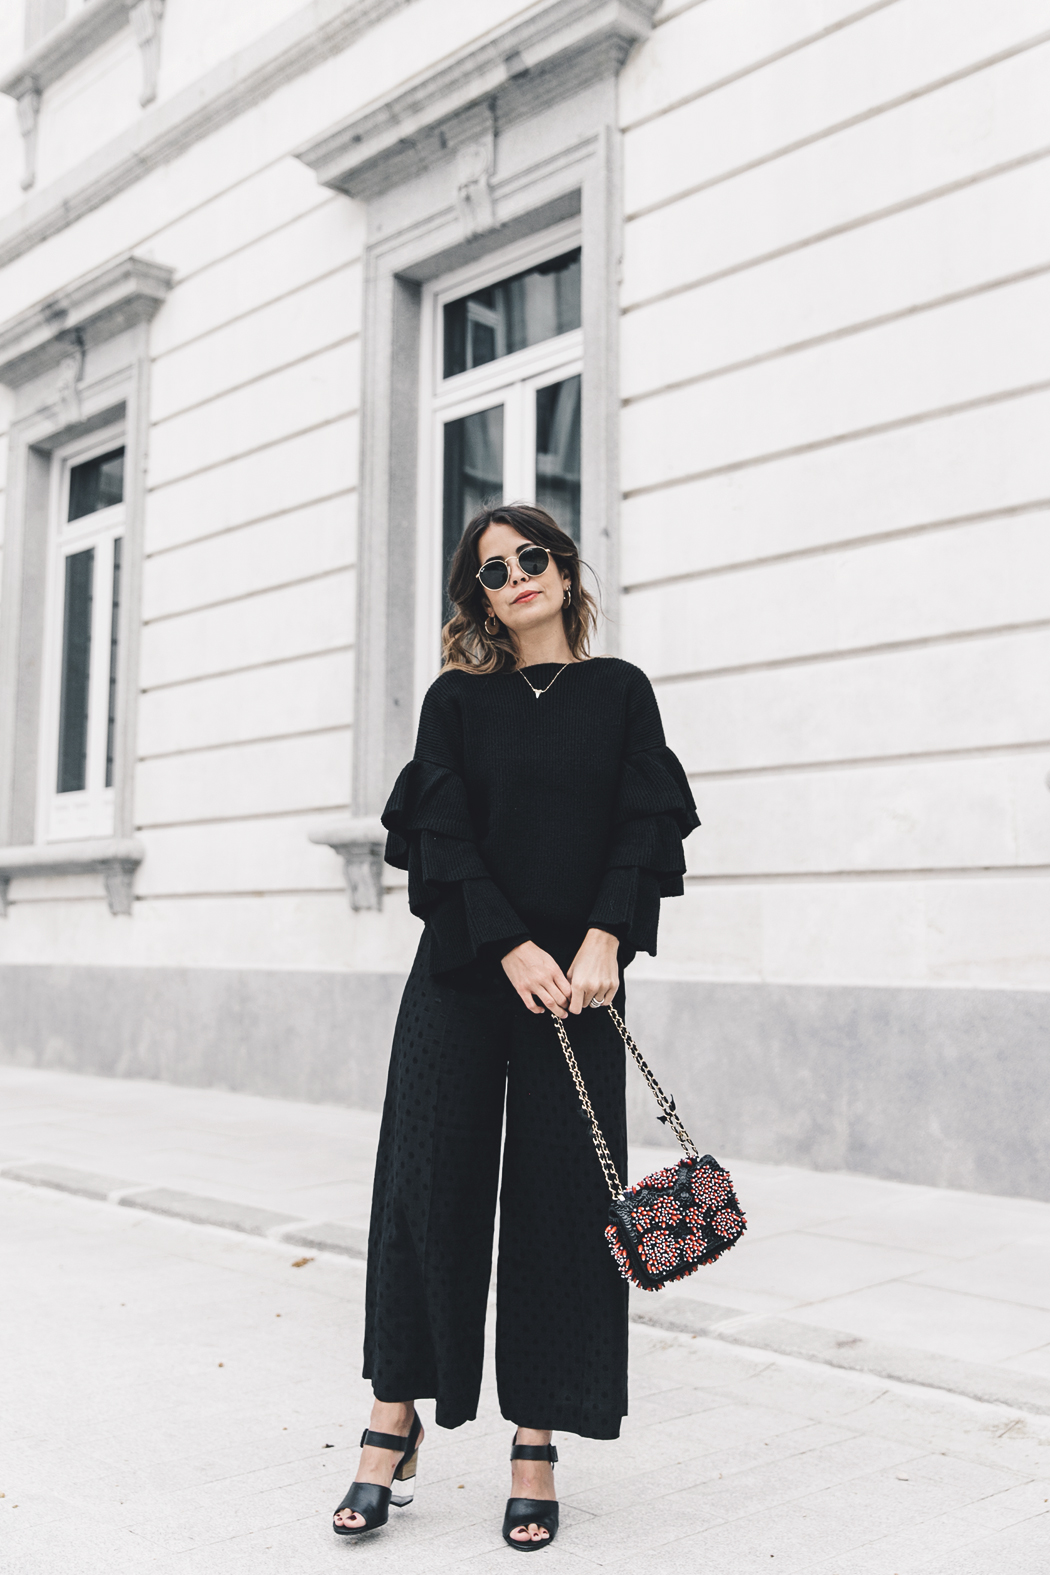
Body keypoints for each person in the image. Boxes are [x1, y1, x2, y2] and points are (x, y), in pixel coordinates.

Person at [332, 504, 699, 1549]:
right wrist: (506, 944)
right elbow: (437, 838)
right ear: (479, 596)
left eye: (532, 558)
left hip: (579, 985)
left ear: (566, 569)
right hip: (462, 969)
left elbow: (645, 829)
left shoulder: (620, 693)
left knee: (561, 1203)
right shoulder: (457, 702)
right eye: (494, 571)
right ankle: (391, 1419)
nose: (517, 577)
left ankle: (535, 1438)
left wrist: (604, 942)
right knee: (424, 1188)